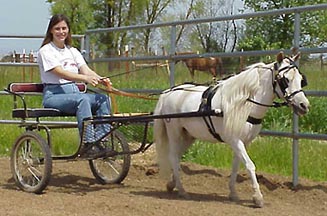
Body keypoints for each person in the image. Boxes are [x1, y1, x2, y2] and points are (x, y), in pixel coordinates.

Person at [37, 14, 111, 157]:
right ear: (51, 30)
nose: (61, 32)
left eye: (64, 28)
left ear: (68, 30)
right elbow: (60, 73)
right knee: (82, 100)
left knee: (103, 99)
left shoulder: (72, 51)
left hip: (74, 93)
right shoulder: (45, 51)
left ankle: (101, 140)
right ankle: (88, 143)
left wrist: (100, 78)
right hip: (54, 95)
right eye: (57, 28)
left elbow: (85, 69)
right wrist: (85, 78)